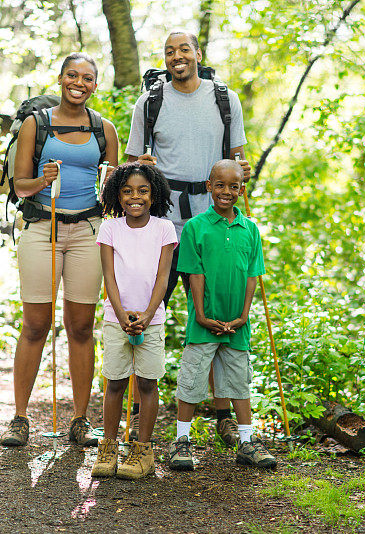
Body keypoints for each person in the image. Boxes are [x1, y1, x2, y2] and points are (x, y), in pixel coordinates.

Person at [125, 30, 250, 446]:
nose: (177, 57)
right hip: (163, 220)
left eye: (184, 50)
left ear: (198, 54)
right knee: (148, 304)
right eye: (169, 52)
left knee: (216, 309)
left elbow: (236, 162)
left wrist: (241, 175)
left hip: (213, 219)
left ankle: (223, 414)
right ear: (165, 60)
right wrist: (140, 166)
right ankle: (139, 408)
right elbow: (132, 167)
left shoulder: (224, 99)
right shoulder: (151, 101)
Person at [0, 52, 119, 447]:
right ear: (60, 78)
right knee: (35, 324)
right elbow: (19, 186)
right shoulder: (37, 124)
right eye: (72, 75)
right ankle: (19, 418)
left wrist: (130, 173)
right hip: (41, 228)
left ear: (95, 85)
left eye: (87, 77)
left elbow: (115, 192)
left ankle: (81, 420)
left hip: (88, 230)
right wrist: (41, 178)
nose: (79, 83)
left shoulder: (106, 129)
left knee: (82, 327)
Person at [168, 160, 276, 470]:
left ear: (242, 190)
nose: (226, 192)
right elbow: (195, 274)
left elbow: (252, 276)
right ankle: (182, 441)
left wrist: (243, 316)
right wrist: (201, 315)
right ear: (209, 186)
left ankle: (246, 441)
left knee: (239, 382)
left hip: (236, 325)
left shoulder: (250, 229)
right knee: (191, 381)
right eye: (220, 185)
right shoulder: (195, 227)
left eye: (233, 186)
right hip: (204, 324)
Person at [91, 163, 176, 479]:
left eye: (142, 191)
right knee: (114, 382)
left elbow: (163, 277)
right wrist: (123, 313)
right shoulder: (110, 228)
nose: (134, 197)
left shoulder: (164, 228)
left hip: (151, 321)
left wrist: (147, 314)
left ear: (153, 195)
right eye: (127, 191)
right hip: (116, 319)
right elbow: (109, 276)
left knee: (146, 383)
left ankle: (142, 450)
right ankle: (109, 448)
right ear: (117, 194)